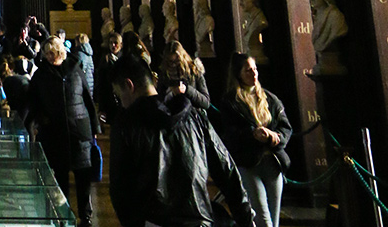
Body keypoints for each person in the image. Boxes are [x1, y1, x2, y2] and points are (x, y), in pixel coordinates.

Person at [107, 47, 254, 227]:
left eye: (118, 95)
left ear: (129, 86)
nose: (120, 102)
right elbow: (226, 169)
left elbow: (120, 188)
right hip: (199, 219)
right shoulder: (194, 117)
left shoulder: (126, 124)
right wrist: (245, 217)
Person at [26, 35, 97, 227]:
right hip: (54, 133)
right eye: (47, 53)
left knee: (83, 178)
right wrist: (40, 119)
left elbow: (88, 100)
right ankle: (64, 214)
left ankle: (86, 216)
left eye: (53, 52)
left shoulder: (75, 70)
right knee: (60, 178)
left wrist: (95, 127)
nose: (50, 56)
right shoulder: (40, 75)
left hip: (78, 132)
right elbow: (33, 103)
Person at [217, 53, 292, 227]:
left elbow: (286, 127)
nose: (254, 74)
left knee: (274, 220)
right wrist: (252, 133)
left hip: (273, 161)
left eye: (255, 69)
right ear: (238, 74)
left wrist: (276, 137)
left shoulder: (270, 99)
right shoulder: (230, 101)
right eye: (248, 70)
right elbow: (229, 133)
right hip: (249, 163)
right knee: (263, 218)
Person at [157, 38, 210, 112]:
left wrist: (187, 90)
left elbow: (206, 102)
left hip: (192, 117)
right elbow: (159, 102)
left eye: (177, 61)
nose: (173, 65)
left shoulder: (194, 70)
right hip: (172, 117)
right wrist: (170, 94)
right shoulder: (164, 74)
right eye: (170, 61)